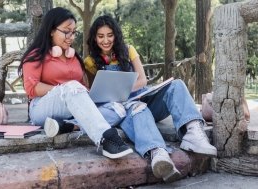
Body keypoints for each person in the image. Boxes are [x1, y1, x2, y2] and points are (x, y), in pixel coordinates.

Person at [85, 15, 217, 183]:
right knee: (138, 108)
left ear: (116, 35)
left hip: (143, 96)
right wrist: (118, 99)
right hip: (124, 110)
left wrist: (123, 90)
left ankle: (193, 132)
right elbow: (95, 94)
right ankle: (158, 155)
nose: (105, 40)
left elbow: (142, 80)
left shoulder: (128, 50)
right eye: (100, 36)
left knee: (176, 85)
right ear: (94, 38)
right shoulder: (90, 62)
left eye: (109, 35)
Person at [18, 7, 133, 159]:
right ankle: (107, 139)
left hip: (71, 106)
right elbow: (32, 88)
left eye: (73, 32)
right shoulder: (36, 55)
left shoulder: (74, 58)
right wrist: (64, 91)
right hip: (41, 107)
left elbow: (82, 89)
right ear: (51, 30)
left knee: (118, 109)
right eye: (66, 31)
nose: (71, 37)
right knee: (72, 87)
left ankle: (67, 126)